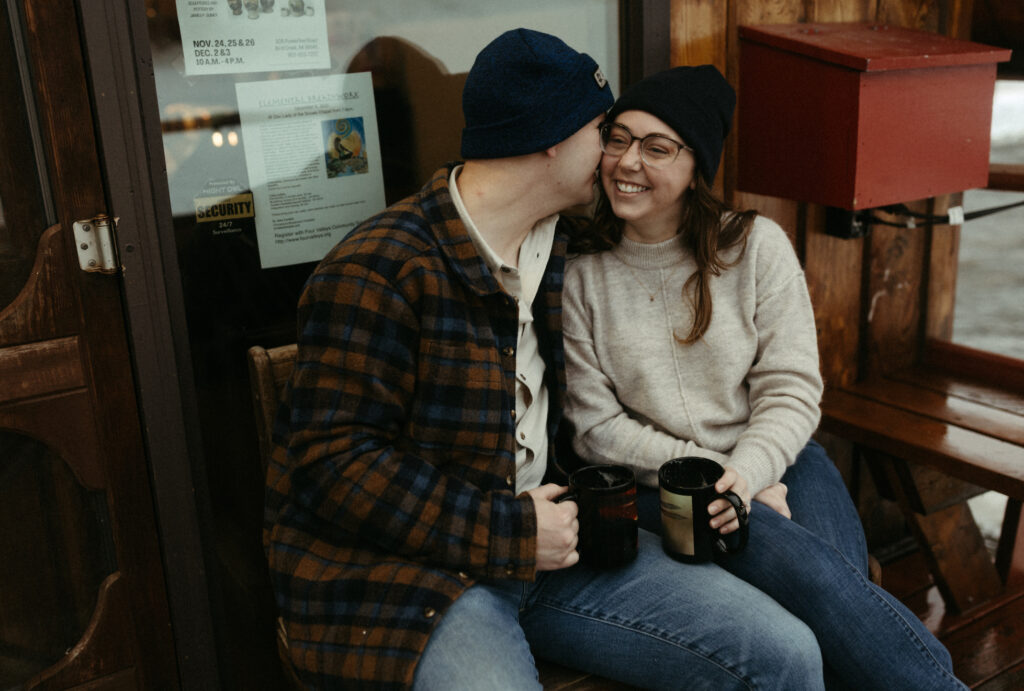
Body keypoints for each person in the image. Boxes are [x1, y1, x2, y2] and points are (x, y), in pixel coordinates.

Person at [264, 29, 831, 690]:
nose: (615, 155)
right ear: (552, 139)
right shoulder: (381, 267)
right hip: (413, 580)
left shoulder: (567, 249)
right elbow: (337, 464)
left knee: (785, 653)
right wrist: (510, 531)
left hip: (562, 547)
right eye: (605, 131)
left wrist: (737, 468)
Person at [562, 64, 968, 690]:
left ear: (697, 165)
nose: (626, 161)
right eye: (617, 138)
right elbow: (595, 428)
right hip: (665, 484)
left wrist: (751, 472)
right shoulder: (585, 273)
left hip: (781, 460)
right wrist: (723, 479)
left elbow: (791, 389)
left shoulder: (754, 247)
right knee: (820, 590)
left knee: (840, 594)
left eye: (656, 147)